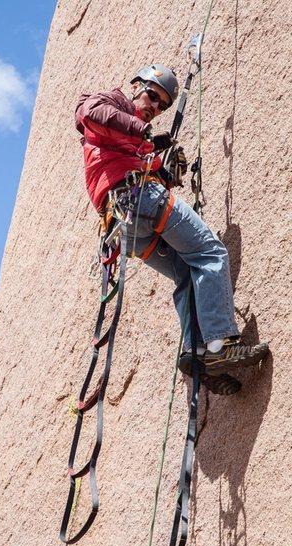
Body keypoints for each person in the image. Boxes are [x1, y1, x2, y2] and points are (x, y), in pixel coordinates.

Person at [75, 64, 268, 394]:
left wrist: (167, 172)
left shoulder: (132, 141)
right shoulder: (111, 104)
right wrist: (145, 135)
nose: (154, 108)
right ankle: (221, 343)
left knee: (186, 272)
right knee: (209, 253)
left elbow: (143, 165)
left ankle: (199, 353)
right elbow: (90, 113)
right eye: (151, 96)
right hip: (137, 200)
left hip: (127, 226)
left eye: (161, 105)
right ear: (136, 86)